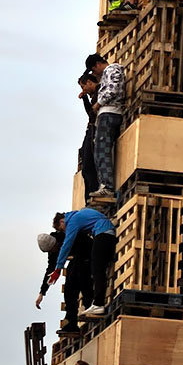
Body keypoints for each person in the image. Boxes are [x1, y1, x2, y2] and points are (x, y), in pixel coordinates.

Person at [47, 208, 117, 317]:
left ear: (62, 221)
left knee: (97, 270)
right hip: (107, 234)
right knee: (99, 267)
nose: (65, 232)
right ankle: (97, 303)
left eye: (62, 229)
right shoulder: (78, 215)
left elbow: (67, 244)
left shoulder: (72, 221)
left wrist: (58, 268)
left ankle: (98, 304)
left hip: (103, 234)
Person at [37, 220, 93, 336]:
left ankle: (90, 305)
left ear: (55, 243)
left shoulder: (66, 235)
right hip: (77, 261)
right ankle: (71, 322)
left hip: (89, 253)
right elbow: (51, 270)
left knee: (78, 274)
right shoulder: (53, 251)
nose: (55, 252)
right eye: (52, 251)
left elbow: (86, 242)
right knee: (69, 288)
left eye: (54, 249)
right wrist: (42, 292)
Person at [85, 53, 125, 198]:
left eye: (92, 70)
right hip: (108, 114)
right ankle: (105, 185)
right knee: (100, 150)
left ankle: (107, 186)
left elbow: (112, 90)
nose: (94, 73)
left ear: (96, 65)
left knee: (102, 150)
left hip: (109, 113)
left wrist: (98, 103)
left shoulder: (111, 70)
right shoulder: (109, 73)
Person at [77, 71, 99, 202]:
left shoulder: (98, 94)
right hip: (90, 130)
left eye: (83, 86)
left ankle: (91, 194)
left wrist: (85, 98)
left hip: (93, 130)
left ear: (90, 83)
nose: (83, 90)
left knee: (89, 166)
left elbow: (91, 113)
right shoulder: (94, 96)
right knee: (86, 167)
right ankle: (89, 196)